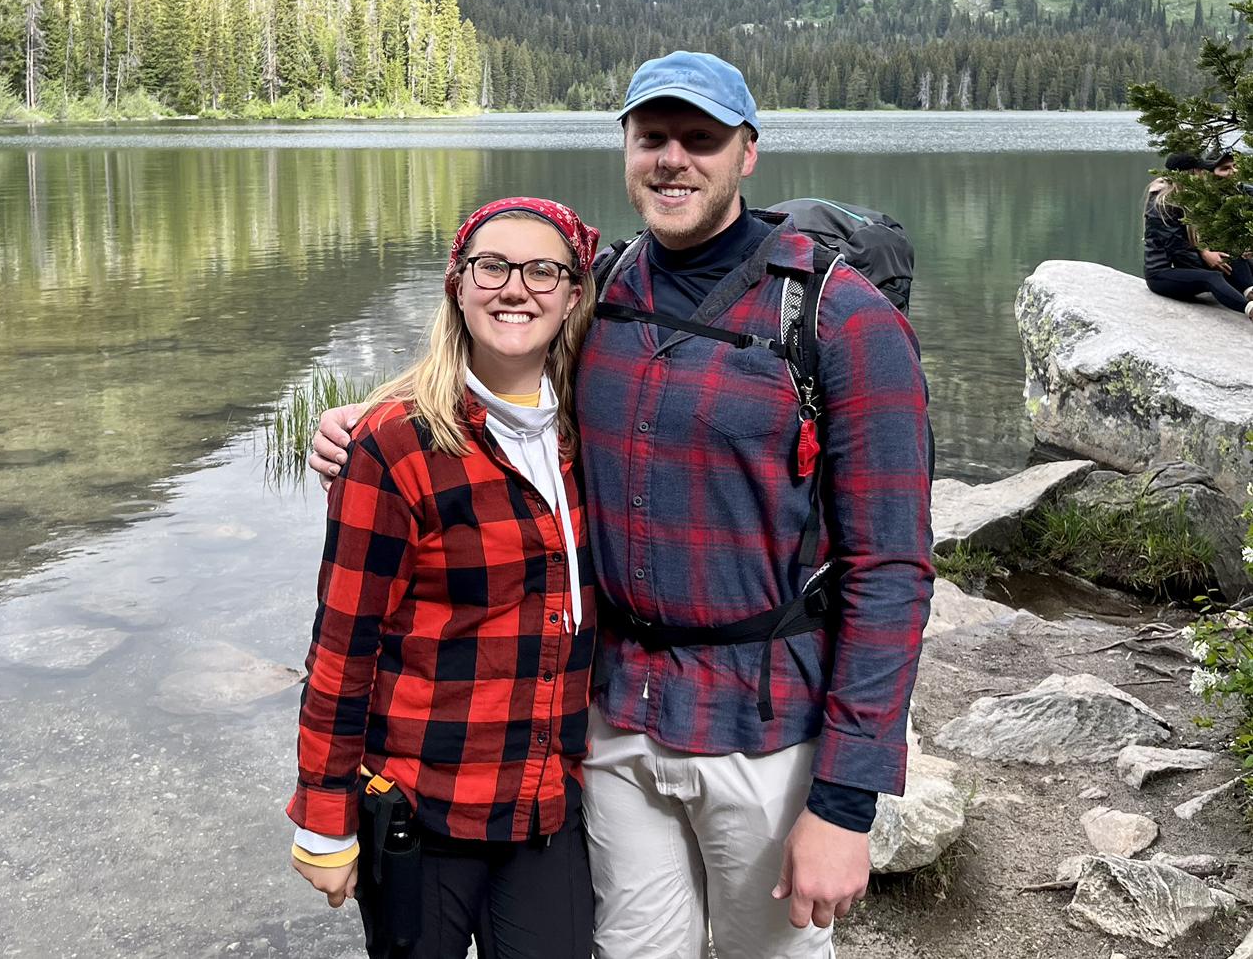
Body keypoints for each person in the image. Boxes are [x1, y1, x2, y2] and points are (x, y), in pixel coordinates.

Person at [312, 52, 934, 959]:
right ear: (628, 150)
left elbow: (892, 570)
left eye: (700, 139)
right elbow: (496, 360)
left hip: (765, 733)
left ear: (748, 153)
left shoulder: (842, 319)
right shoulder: (600, 290)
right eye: (652, 138)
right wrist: (367, 420)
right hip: (615, 721)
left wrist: (845, 804)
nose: (673, 159)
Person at [288, 197, 600, 959]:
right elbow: (343, 646)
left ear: (572, 296)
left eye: (542, 271)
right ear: (457, 286)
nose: (515, 288)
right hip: (422, 809)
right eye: (492, 267)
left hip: (542, 806)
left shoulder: (588, 431)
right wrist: (324, 815)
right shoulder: (395, 444)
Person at [1144, 152, 1253, 319]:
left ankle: (1250, 291)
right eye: (1200, 171)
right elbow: (1179, 252)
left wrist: (1211, 254)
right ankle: (1250, 309)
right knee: (1212, 277)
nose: (1204, 175)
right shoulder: (1162, 206)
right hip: (1161, 274)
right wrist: (1208, 259)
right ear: (1191, 173)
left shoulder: (1188, 197)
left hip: (1186, 263)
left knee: (1232, 257)